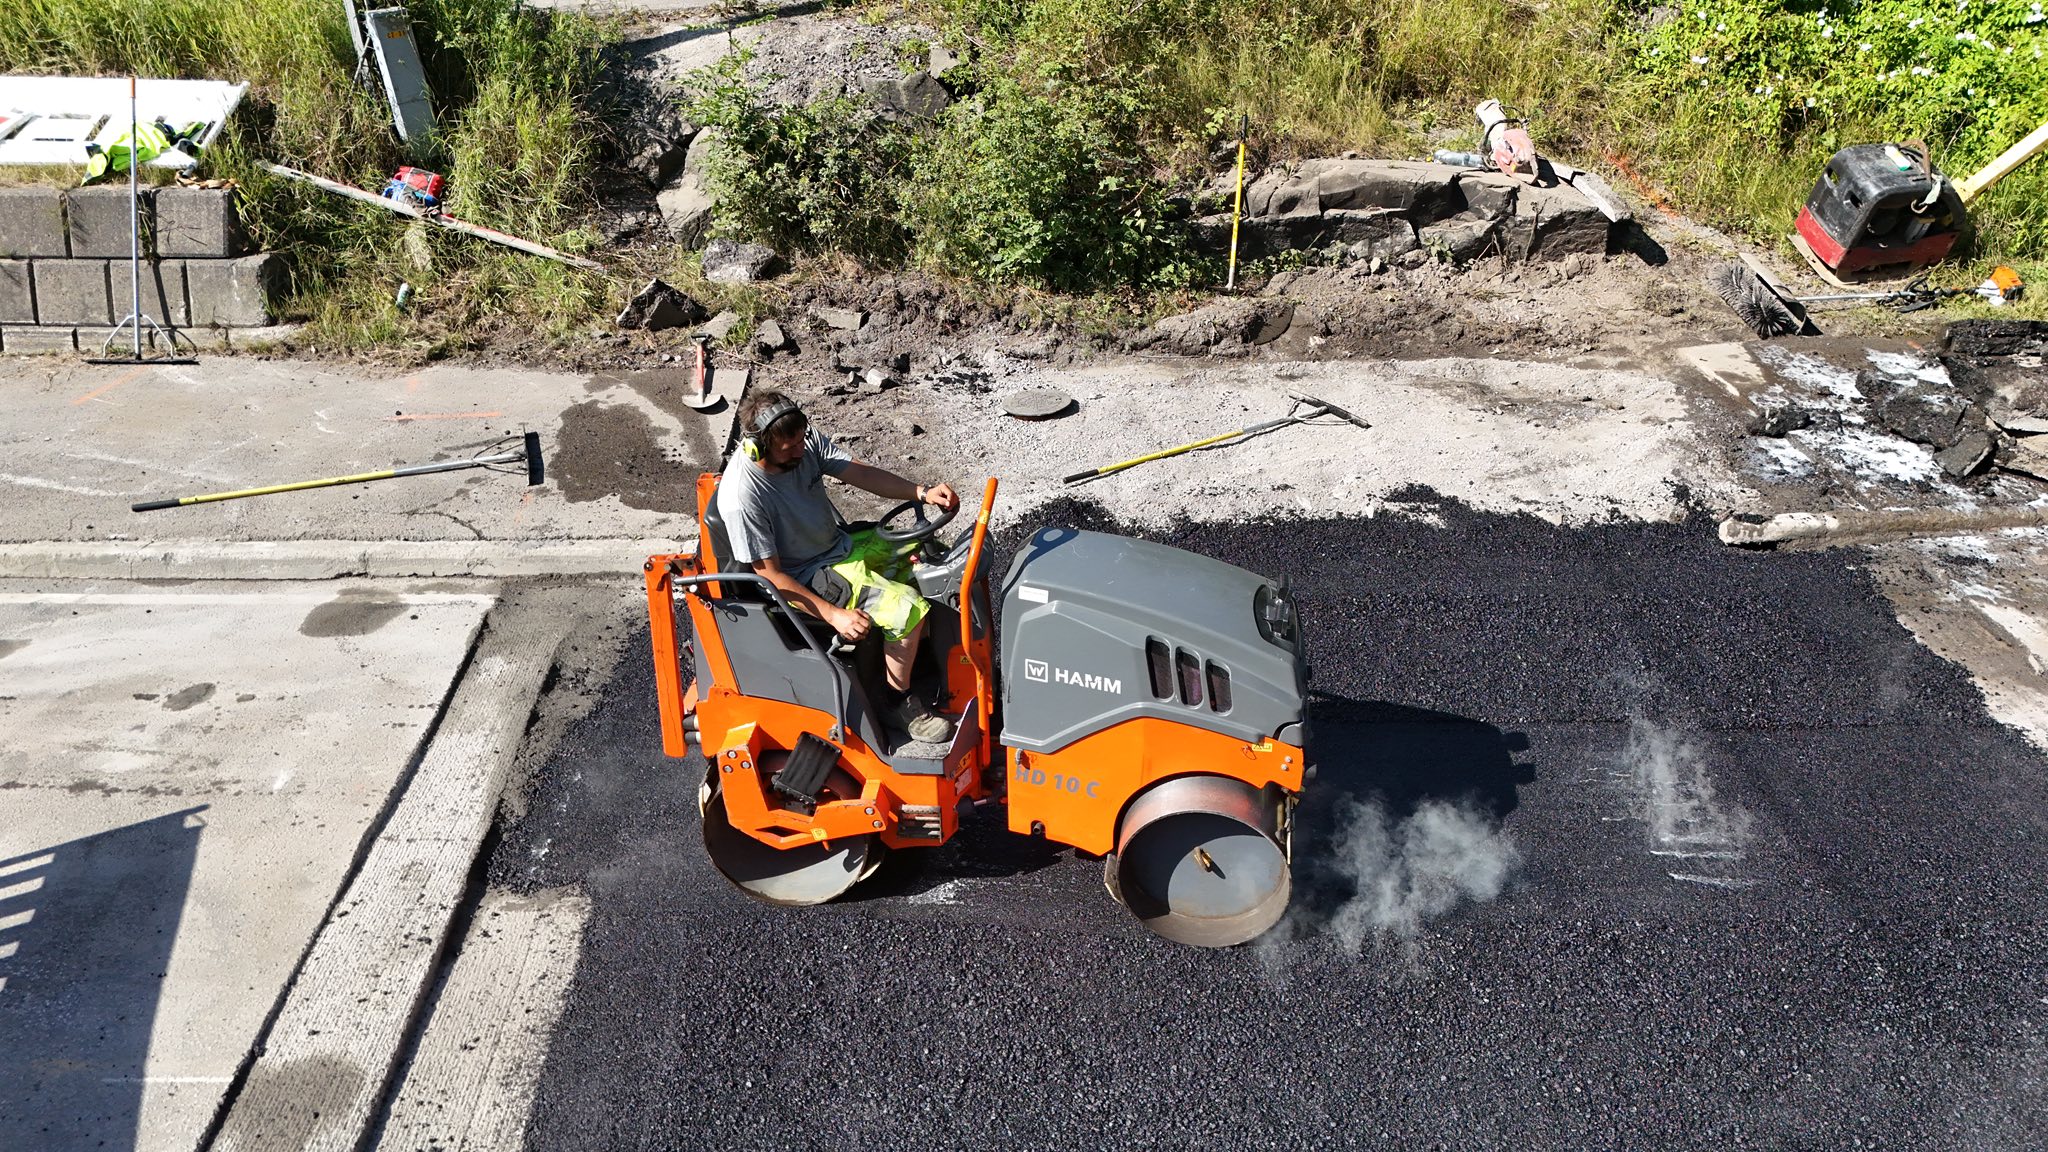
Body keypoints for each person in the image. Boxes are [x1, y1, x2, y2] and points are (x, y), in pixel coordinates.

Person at [717, 389, 960, 743]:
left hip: (841, 545)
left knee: (933, 559)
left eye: (802, 441)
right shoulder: (742, 497)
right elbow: (770, 575)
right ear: (758, 448)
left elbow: (859, 474)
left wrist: (921, 492)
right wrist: (835, 616)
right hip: (806, 574)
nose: (800, 451)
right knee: (904, 609)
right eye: (789, 449)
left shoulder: (801, 440)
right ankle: (895, 702)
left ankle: (940, 665)